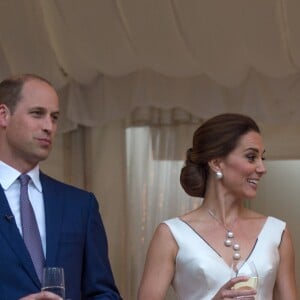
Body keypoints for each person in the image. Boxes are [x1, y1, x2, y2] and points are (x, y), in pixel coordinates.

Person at [138, 113, 298, 300]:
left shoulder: (277, 232)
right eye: (251, 157)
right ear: (216, 163)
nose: (262, 169)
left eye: (262, 158)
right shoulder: (171, 234)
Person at [0, 74, 122, 300]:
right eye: (37, 114)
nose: (49, 126)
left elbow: (103, 293)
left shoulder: (80, 205)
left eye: (54, 117)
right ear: (3, 115)